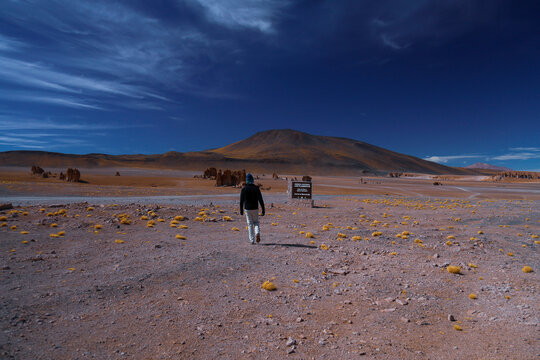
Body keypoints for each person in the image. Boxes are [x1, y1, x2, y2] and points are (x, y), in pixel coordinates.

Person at [240, 173, 265, 244]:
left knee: (250, 224)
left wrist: (241, 210)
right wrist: (263, 209)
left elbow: (241, 201)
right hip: (255, 208)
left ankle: (252, 240)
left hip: (247, 209)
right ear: (252, 180)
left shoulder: (244, 189)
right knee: (256, 222)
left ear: (246, 180)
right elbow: (261, 199)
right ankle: (257, 233)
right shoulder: (256, 188)